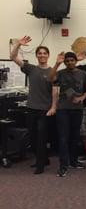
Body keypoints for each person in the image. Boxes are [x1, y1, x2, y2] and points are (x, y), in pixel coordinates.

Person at [10, 36, 57, 173]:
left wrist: (53, 107)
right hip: (31, 108)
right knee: (33, 137)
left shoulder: (52, 72)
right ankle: (43, 159)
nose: (42, 55)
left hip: (45, 110)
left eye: (44, 53)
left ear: (48, 55)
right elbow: (13, 57)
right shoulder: (30, 68)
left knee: (41, 137)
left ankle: (40, 165)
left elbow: (55, 91)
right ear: (37, 55)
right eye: (40, 53)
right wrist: (18, 45)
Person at [48, 51, 86, 177]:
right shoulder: (61, 73)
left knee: (74, 137)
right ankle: (63, 166)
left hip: (77, 109)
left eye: (72, 60)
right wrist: (57, 64)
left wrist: (82, 97)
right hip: (63, 109)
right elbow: (50, 79)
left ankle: (73, 161)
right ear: (65, 62)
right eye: (67, 61)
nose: (70, 63)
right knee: (63, 138)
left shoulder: (83, 74)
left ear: (76, 61)